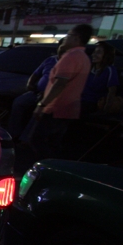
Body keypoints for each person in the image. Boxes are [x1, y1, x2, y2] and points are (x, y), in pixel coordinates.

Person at [29, 24, 92, 159]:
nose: (65, 38)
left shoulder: (71, 56)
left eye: (68, 35)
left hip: (56, 107)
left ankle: (49, 166)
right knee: (54, 142)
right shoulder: (84, 57)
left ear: (76, 38)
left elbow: (59, 84)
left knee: (37, 139)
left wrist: (42, 104)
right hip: (70, 107)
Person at [8, 38, 64, 142]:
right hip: (37, 92)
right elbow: (36, 74)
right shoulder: (50, 60)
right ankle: (13, 133)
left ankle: (26, 140)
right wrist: (30, 84)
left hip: (52, 96)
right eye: (61, 47)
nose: (62, 50)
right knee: (19, 102)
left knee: (39, 111)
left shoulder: (68, 63)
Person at [80, 41, 120, 117]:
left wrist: (105, 110)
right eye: (94, 52)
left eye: (98, 52)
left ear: (106, 55)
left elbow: (112, 92)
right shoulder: (89, 68)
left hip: (92, 103)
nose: (93, 55)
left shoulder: (109, 70)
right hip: (80, 100)